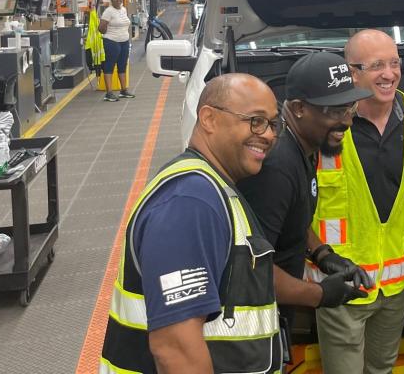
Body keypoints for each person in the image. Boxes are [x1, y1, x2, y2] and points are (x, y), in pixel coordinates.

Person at [99, 73, 282, 373]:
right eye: (256, 120)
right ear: (208, 118)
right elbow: (175, 347)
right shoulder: (190, 203)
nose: (269, 135)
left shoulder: (213, 190)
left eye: (273, 125)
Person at [309, 30, 404, 374]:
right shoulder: (325, 124)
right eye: (377, 65)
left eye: (395, 63)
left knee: (382, 369)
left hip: (398, 285)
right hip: (343, 286)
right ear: (352, 72)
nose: (389, 74)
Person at [237, 51, 374, 328]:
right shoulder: (277, 168)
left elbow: (292, 216)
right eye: (335, 111)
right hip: (253, 322)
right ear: (299, 108)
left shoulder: (305, 145)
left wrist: (322, 254)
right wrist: (320, 294)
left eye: (349, 108)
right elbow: (252, 267)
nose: (347, 122)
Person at [99, 0, 134, 102]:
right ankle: (109, 93)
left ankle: (123, 90)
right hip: (112, 42)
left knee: (122, 65)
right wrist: (108, 33)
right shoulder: (108, 12)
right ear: (111, 0)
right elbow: (101, 28)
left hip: (124, 41)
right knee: (109, 66)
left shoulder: (123, 9)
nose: (118, 0)